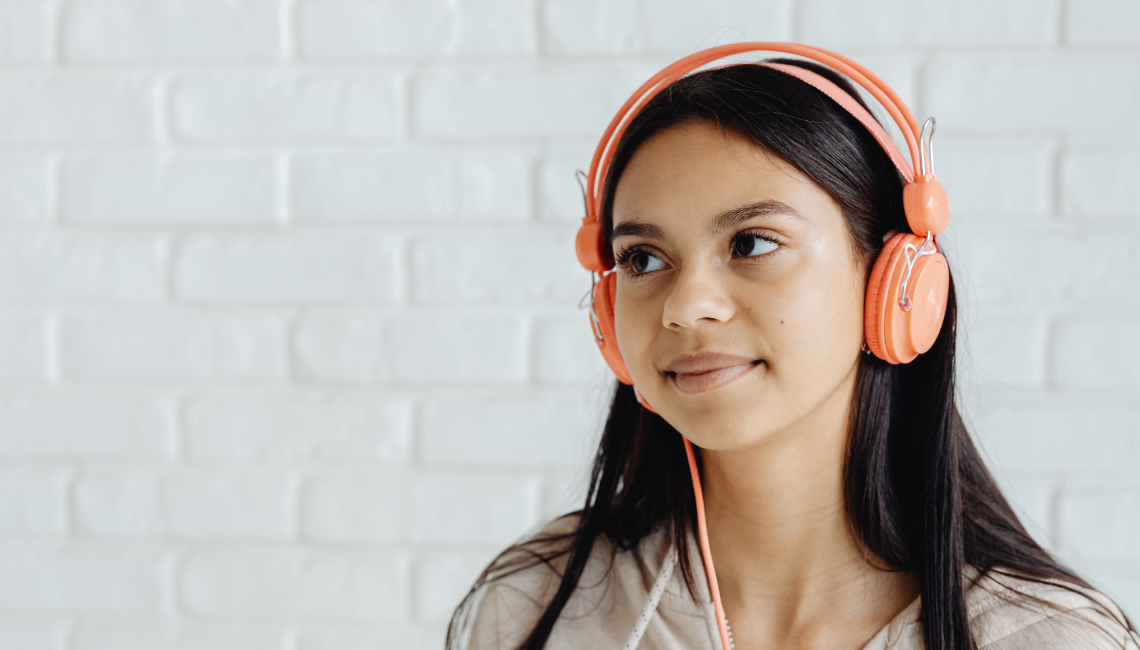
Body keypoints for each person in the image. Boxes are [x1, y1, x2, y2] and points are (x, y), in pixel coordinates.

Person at [447, 44, 1139, 650]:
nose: (686, 306)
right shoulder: (532, 608)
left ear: (893, 284)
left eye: (752, 243)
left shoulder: (1049, 639)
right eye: (642, 259)